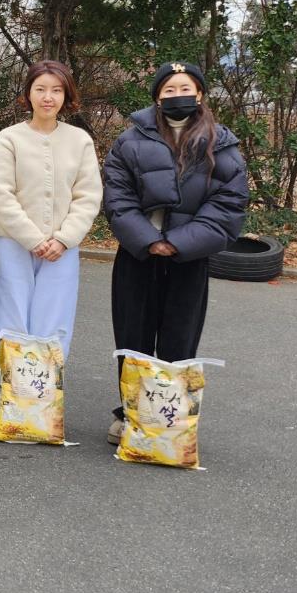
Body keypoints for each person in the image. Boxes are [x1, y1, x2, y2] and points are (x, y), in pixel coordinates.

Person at [103, 60, 247, 443]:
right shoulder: (129, 141)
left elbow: (227, 207)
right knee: (132, 337)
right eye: (169, 90)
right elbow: (117, 199)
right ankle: (130, 413)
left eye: (185, 89)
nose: (178, 96)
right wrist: (150, 240)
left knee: (179, 338)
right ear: (156, 97)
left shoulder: (223, 144)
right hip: (137, 255)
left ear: (199, 94)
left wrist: (178, 242)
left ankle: (167, 419)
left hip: (189, 259)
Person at [0, 60, 102, 391]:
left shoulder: (79, 141)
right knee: (12, 323)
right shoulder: (10, 138)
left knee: (54, 324)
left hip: (62, 249)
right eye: (40, 89)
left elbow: (88, 195)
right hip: (12, 244)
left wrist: (64, 239)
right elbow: (1, 193)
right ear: (28, 94)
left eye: (56, 90)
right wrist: (33, 239)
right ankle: (10, 402)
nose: (47, 97)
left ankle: (44, 401)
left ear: (66, 95)